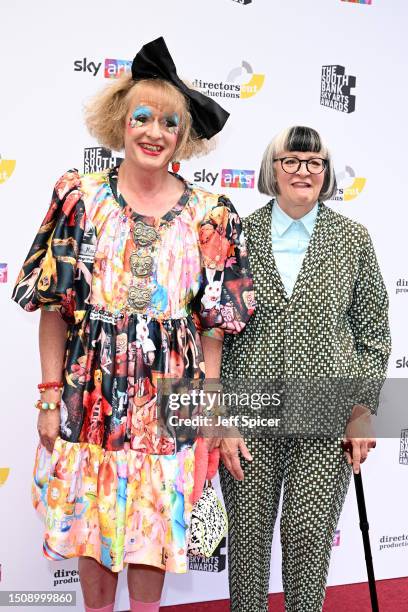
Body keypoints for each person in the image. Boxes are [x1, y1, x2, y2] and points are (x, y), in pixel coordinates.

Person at [12, 37, 254, 612]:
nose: (154, 130)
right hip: (89, 391)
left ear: (181, 137)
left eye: (169, 122)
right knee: (92, 519)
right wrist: (49, 398)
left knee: (155, 525)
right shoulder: (81, 196)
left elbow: (213, 331)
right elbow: (54, 308)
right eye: (141, 116)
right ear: (119, 121)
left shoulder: (210, 214)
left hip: (172, 397)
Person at [219, 126, 391, 612]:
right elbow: (213, 328)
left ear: (326, 172)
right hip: (248, 415)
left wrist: (362, 408)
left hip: (325, 417)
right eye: (291, 160)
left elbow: (373, 334)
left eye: (314, 162)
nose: (303, 171)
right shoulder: (237, 235)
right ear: (271, 169)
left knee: (309, 543)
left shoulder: (353, 240)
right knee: (248, 547)